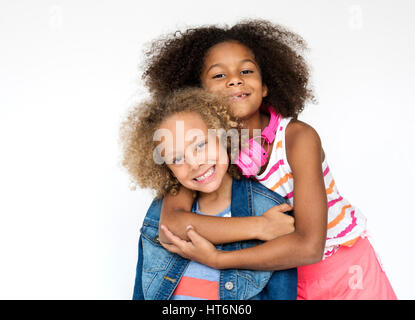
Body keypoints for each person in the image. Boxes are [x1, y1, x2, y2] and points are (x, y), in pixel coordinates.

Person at [141, 19, 397, 299]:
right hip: (277, 277)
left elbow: (310, 246)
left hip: (346, 272)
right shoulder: (204, 153)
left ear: (265, 86)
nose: (235, 79)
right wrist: (260, 226)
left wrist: (217, 259)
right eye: (218, 75)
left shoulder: (297, 138)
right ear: (198, 95)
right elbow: (173, 225)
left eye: (246, 70)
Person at [119, 87, 297, 300]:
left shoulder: (269, 210)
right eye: (177, 159)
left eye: (201, 145)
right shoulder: (158, 214)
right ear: (166, 168)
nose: (195, 163)